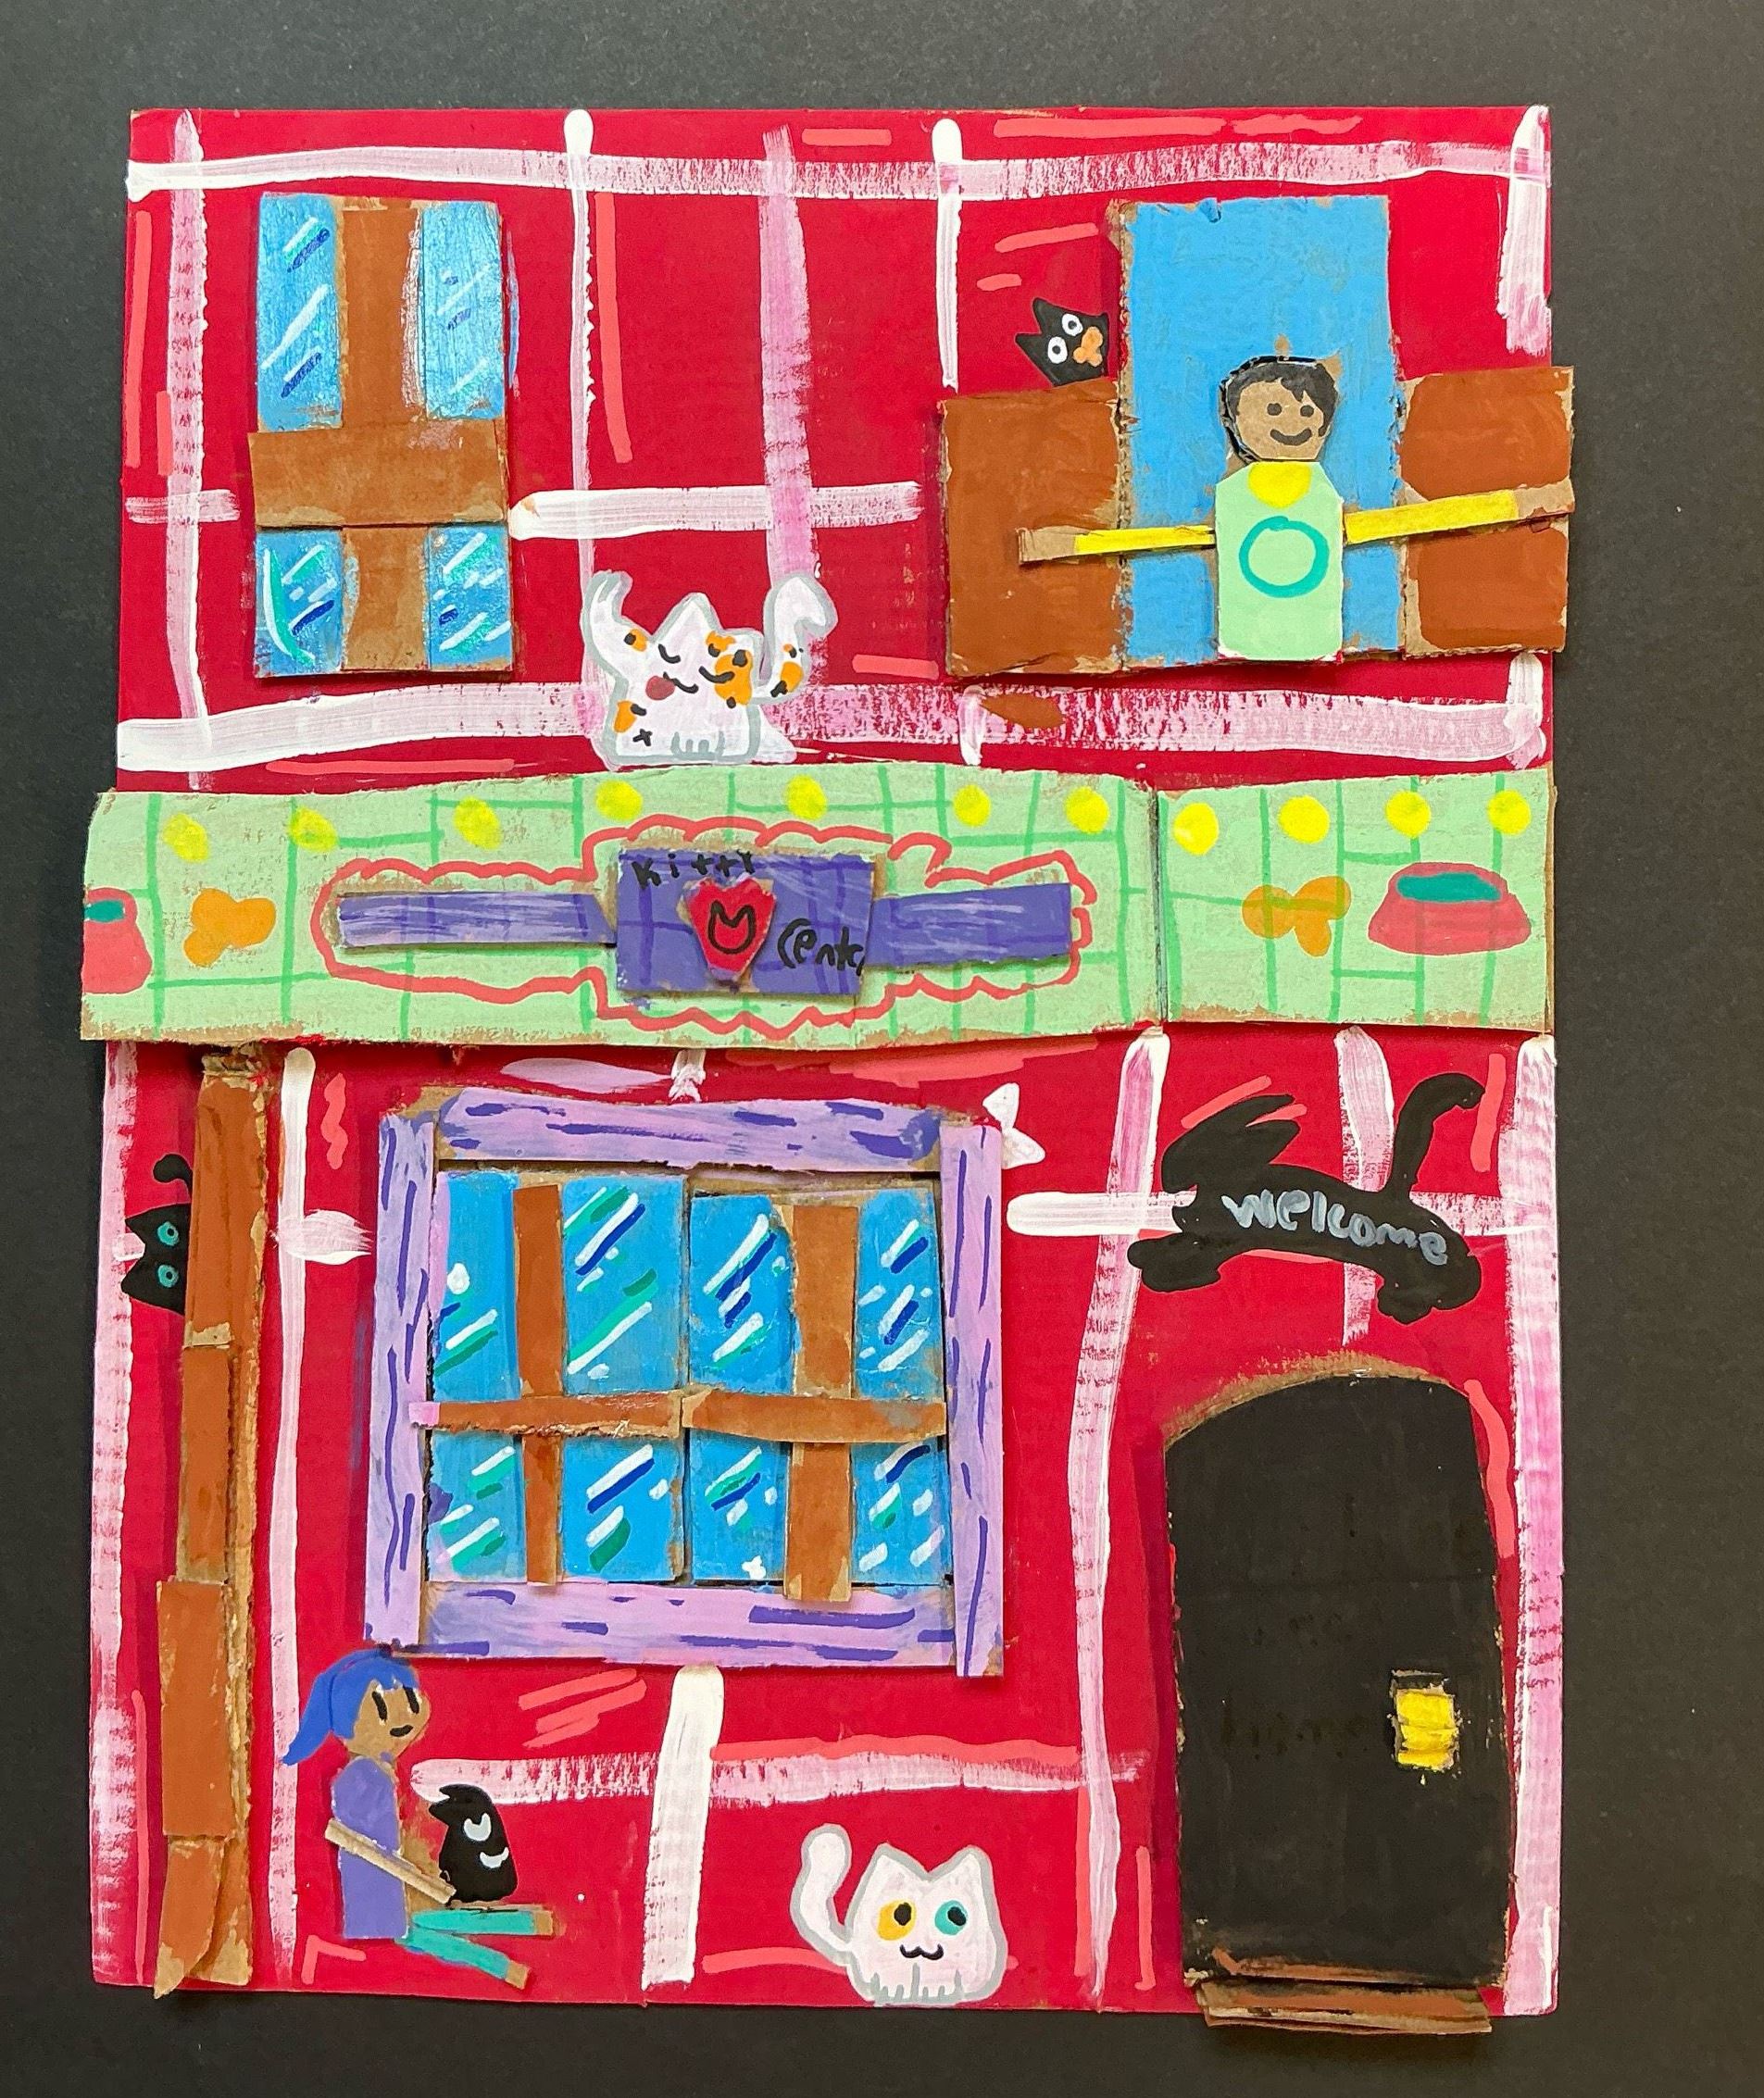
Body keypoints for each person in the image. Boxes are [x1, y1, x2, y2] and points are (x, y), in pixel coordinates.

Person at [285, 1648, 546, 1986]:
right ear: (347, 1727)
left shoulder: (378, 1773)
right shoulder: (360, 1777)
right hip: (377, 1899)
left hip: (392, 1896)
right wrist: (418, 1879)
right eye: (382, 1709)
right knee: (431, 1934)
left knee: (434, 1927)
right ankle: (508, 1956)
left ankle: (520, 1936)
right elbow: (368, 1848)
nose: (403, 1720)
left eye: (411, 1701)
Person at [1213, 355, 1345, 662]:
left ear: (1325, 424)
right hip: (1246, 632)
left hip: (1315, 632)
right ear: (1235, 422)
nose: (1291, 423)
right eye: (1273, 410)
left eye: (1306, 411)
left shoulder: (1323, 493)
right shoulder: (1233, 494)